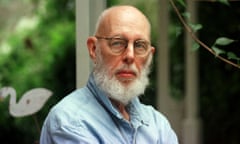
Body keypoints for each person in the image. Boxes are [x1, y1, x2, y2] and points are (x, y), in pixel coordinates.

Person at [40, 5, 178, 144]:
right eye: (117, 43)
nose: (130, 55)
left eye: (139, 45)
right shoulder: (69, 121)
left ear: (149, 56)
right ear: (94, 49)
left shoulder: (158, 124)